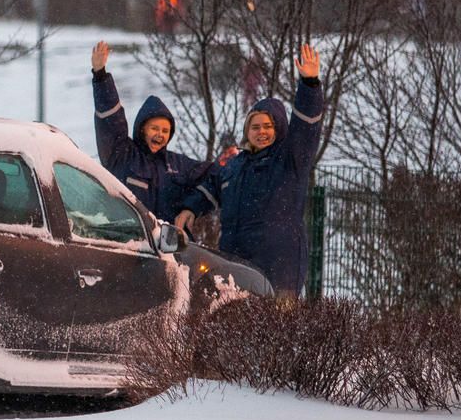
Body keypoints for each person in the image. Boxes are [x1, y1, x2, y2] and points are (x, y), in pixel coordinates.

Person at [175, 44, 323, 297]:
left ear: (278, 129)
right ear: (247, 131)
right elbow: (213, 186)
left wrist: (309, 84)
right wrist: (191, 208)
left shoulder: (289, 159)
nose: (261, 132)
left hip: (279, 267)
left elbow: (306, 127)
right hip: (237, 265)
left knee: (279, 327)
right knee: (241, 330)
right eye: (255, 127)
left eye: (268, 126)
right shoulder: (235, 165)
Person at [89, 41, 213, 223]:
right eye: (154, 128)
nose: (160, 134)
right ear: (142, 129)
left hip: (167, 248)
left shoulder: (177, 165)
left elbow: (215, 177)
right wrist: (100, 76)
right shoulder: (122, 154)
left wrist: (190, 209)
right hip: (128, 242)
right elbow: (111, 120)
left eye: (165, 130)